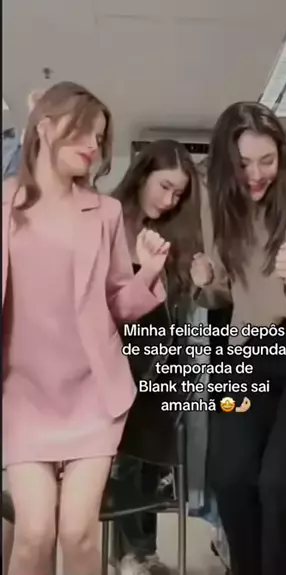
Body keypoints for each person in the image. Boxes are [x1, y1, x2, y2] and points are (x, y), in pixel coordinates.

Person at [2, 81, 169, 575]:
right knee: (33, 534)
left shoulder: (106, 212)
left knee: (78, 533)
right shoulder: (4, 204)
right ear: (45, 127)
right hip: (22, 395)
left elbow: (117, 304)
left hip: (93, 394)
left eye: (99, 137)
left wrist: (148, 274)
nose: (93, 147)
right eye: (83, 134)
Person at [190, 101, 286, 575]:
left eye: (266, 161)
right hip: (246, 352)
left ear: (282, 157)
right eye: (243, 163)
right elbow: (222, 294)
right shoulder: (219, 212)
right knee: (231, 478)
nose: (255, 175)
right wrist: (204, 282)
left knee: (281, 484)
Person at [111, 139, 202, 575]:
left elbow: (177, 309)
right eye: (164, 187)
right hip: (114, 359)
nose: (169, 201)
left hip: (162, 363)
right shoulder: (108, 220)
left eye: (178, 194)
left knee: (148, 463)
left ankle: (140, 553)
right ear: (142, 173)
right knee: (121, 462)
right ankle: (132, 553)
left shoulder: (175, 235)